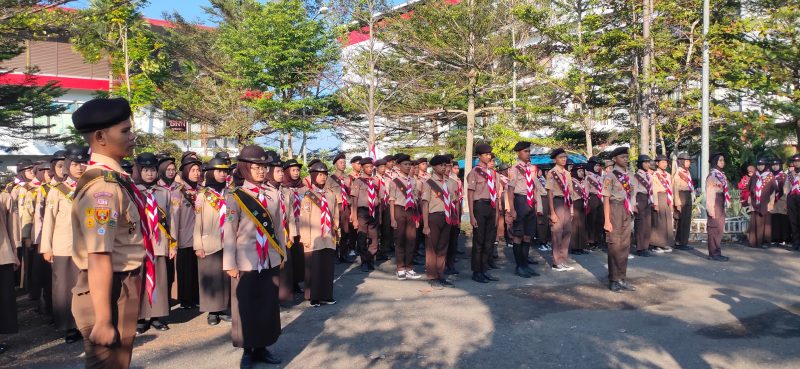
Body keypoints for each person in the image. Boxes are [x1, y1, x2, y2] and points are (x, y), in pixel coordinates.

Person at [70, 97, 149, 369]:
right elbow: (99, 254)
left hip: (117, 287)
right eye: (125, 131)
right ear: (101, 136)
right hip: (108, 292)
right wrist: (104, 320)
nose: (132, 136)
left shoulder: (114, 179)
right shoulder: (102, 188)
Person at [224, 145, 286, 368]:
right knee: (247, 307)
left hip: (269, 258)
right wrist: (229, 263)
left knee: (267, 305)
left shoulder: (273, 193)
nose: (261, 171)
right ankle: (248, 350)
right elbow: (229, 232)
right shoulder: (236, 195)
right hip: (246, 261)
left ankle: (263, 347)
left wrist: (282, 255)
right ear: (245, 168)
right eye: (255, 167)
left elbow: (278, 228)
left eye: (263, 167)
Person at [40, 145, 88, 344]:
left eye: (82, 163)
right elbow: (48, 220)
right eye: (75, 164)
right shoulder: (56, 191)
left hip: (87, 247)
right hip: (63, 247)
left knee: (86, 288)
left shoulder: (90, 187)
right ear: (68, 165)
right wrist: (47, 247)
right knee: (65, 289)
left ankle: (85, 324)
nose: (78, 168)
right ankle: (69, 327)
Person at [133, 152, 174, 334]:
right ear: (139, 171)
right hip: (139, 244)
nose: (149, 174)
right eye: (146, 170)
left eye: (152, 170)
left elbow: (171, 220)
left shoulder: (164, 193)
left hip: (159, 243)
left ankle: (157, 316)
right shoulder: (132, 191)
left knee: (159, 279)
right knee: (140, 280)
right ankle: (140, 317)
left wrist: (172, 244)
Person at [193, 157, 233, 326]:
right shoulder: (203, 196)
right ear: (210, 173)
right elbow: (197, 222)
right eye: (219, 171)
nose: (222, 174)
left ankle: (224, 307)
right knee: (211, 277)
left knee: (225, 276)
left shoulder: (231, 193)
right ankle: (212, 311)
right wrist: (198, 245)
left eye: (225, 171)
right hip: (209, 242)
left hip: (229, 241)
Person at [295, 161, 338, 306]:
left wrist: (336, 230)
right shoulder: (308, 195)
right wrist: (305, 237)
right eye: (320, 175)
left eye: (325, 174)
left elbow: (335, 214)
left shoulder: (331, 195)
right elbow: (304, 218)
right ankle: (313, 296)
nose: (323, 177)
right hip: (313, 237)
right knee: (314, 267)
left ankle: (327, 294)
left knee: (327, 267)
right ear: (313, 176)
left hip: (328, 236)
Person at [420, 155, 458, 288]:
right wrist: (425, 225)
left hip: (447, 217)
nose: (444, 167)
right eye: (441, 165)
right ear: (434, 167)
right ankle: (432, 276)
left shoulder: (450, 183)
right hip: (434, 217)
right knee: (432, 248)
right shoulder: (429, 183)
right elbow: (425, 204)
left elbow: (454, 201)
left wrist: (455, 218)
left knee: (443, 247)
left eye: (445, 165)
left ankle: (441, 275)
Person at [603, 147, 636, 292]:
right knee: (614, 244)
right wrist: (606, 220)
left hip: (626, 209)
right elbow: (605, 198)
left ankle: (622, 278)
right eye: (622, 157)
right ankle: (613, 279)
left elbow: (632, 194)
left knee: (625, 245)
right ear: (615, 159)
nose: (625, 159)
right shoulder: (610, 176)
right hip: (614, 208)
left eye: (626, 157)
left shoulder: (630, 174)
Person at [507, 141, 541, 278]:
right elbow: (510, 190)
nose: (528, 153)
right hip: (520, 201)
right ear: (518, 153)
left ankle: (526, 265)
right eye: (525, 151)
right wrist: (512, 209)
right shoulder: (514, 169)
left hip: (530, 202)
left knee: (528, 235)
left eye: (529, 151)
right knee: (518, 236)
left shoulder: (530, 169)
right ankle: (519, 266)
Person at [467, 144, 500, 283]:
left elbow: (497, 194)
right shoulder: (474, 172)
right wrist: (471, 215)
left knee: (489, 241)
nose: (488, 156)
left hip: (491, 206)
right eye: (486, 154)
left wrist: (497, 213)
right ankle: (477, 271)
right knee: (479, 241)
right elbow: (470, 194)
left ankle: (484, 269)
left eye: (489, 154)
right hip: (479, 206)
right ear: (479, 156)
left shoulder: (492, 173)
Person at [173, 152, 202, 310]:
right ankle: (185, 299)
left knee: (197, 269)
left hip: (200, 237)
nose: (196, 173)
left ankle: (197, 296)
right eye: (193, 170)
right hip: (184, 236)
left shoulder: (202, 190)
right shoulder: (179, 191)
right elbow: (174, 217)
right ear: (185, 171)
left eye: (198, 170)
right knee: (185, 269)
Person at [388, 154, 423, 280]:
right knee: (400, 240)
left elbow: (415, 200)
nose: (408, 167)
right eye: (405, 164)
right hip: (399, 210)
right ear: (398, 166)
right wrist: (392, 219)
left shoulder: (413, 181)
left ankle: (409, 267)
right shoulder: (394, 181)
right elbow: (391, 200)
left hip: (411, 212)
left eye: (409, 164)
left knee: (411, 240)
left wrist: (417, 218)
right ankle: (400, 268)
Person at [279, 159, 306, 303]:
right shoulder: (282, 188)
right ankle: (288, 284)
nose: (296, 173)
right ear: (286, 172)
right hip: (288, 228)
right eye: (293, 170)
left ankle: (296, 282)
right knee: (289, 256)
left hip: (302, 225)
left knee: (298, 256)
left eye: (297, 170)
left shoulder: (303, 188)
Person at [0, 169, 19, 355]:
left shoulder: (4, 197)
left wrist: (14, 251)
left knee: (2, 301)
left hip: (1, 255)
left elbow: (12, 226)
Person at [350, 157, 380, 273]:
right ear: (362, 168)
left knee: (374, 237)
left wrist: (380, 215)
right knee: (362, 238)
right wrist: (354, 217)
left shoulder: (376, 181)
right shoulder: (357, 182)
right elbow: (354, 200)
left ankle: (370, 259)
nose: (369, 169)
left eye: (371, 166)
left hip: (374, 211)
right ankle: (364, 261)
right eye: (367, 167)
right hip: (362, 212)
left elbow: (379, 199)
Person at [546, 149, 574, 271]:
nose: (564, 159)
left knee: (567, 232)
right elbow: (550, 193)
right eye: (561, 157)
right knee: (557, 232)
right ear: (555, 159)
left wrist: (571, 209)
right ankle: (556, 262)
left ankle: (563, 259)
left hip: (566, 203)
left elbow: (571, 193)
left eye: (565, 157)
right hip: (557, 202)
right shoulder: (552, 173)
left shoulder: (567, 173)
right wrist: (552, 212)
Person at [326, 153, 354, 263]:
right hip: (335, 206)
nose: (343, 164)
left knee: (346, 230)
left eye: (344, 162)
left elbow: (351, 194)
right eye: (340, 162)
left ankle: (343, 254)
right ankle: (334, 253)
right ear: (335, 164)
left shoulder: (348, 178)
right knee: (334, 230)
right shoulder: (330, 179)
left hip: (346, 206)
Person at [706, 153, 731, 261]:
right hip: (715, 202)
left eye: (723, 160)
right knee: (714, 229)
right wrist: (710, 209)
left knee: (719, 229)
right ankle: (713, 254)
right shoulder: (713, 176)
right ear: (715, 162)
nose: (722, 162)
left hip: (720, 201)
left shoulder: (721, 175)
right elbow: (710, 193)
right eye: (720, 160)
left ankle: (717, 252)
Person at [748, 157, 777, 249]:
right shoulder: (754, 176)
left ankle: (764, 242)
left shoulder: (770, 176)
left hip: (766, 203)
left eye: (762, 165)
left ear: (765, 165)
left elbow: (773, 191)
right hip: (755, 202)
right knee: (755, 222)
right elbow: (749, 189)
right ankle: (754, 242)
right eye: (758, 165)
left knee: (765, 223)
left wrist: (771, 203)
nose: (760, 167)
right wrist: (749, 202)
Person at [651, 155, 675, 253]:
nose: (665, 164)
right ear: (657, 163)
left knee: (667, 221)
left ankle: (665, 243)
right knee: (659, 221)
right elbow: (654, 189)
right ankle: (657, 244)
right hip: (659, 197)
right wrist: (655, 203)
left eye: (666, 162)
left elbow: (670, 189)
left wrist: (672, 202)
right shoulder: (655, 175)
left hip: (667, 198)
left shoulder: (668, 175)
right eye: (662, 162)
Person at [632, 155, 655, 257]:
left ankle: (645, 246)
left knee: (647, 224)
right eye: (645, 162)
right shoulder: (636, 176)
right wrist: (633, 205)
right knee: (640, 224)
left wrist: (652, 201)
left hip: (647, 199)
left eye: (648, 162)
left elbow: (651, 190)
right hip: (639, 199)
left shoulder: (649, 176)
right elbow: (633, 192)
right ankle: (640, 248)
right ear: (640, 164)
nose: (647, 164)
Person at [672, 153, 695, 250]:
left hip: (687, 195)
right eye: (686, 161)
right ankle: (679, 242)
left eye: (689, 161)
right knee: (681, 220)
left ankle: (684, 242)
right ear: (681, 162)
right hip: (681, 195)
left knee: (687, 220)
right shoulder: (678, 173)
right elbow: (675, 188)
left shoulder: (687, 172)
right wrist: (677, 202)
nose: (688, 163)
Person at [445, 158, 463, 275]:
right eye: (445, 166)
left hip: (452, 214)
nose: (446, 168)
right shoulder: (432, 182)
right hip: (440, 215)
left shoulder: (454, 182)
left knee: (452, 241)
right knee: (442, 243)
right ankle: (440, 267)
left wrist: (457, 216)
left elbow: (457, 201)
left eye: (449, 166)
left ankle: (450, 265)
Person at [569, 163, 589, 255]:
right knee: (575, 227)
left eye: (582, 171)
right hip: (575, 204)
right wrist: (571, 209)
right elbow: (570, 196)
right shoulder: (571, 181)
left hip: (582, 204)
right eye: (579, 171)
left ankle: (581, 247)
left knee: (582, 226)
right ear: (575, 172)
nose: (582, 173)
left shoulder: (584, 181)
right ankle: (574, 247)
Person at [585, 157, 605, 250]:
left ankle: (597, 240)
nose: (597, 167)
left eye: (598, 165)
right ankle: (591, 241)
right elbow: (586, 190)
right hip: (592, 198)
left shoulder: (600, 177)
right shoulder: (588, 177)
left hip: (600, 198)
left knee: (600, 220)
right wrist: (586, 202)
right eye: (595, 165)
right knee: (592, 220)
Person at [770, 158, 791, 245]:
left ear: (780, 165)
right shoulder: (769, 175)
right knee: (774, 219)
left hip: (782, 199)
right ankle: (775, 238)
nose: (775, 167)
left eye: (777, 165)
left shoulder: (784, 175)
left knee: (783, 218)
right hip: (772, 200)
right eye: (773, 165)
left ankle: (785, 238)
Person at [374, 158, 392, 261]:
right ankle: (375, 251)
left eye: (384, 166)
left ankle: (383, 251)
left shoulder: (388, 179)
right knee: (376, 230)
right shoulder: (374, 179)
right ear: (376, 168)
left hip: (387, 205)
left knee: (386, 230)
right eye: (381, 167)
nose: (383, 169)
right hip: (377, 206)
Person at [785, 154, 800, 251]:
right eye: (795, 161)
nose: (797, 163)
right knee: (793, 221)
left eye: (798, 161)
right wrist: (786, 195)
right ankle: (796, 242)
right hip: (792, 198)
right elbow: (786, 186)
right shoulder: (790, 174)